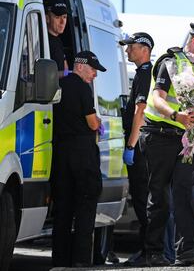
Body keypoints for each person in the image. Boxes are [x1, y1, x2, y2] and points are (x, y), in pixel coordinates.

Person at [140, 23, 194, 266]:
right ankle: (154, 251)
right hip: (161, 134)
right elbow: (158, 98)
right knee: (160, 196)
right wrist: (175, 116)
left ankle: (186, 249)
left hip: (187, 139)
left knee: (184, 191)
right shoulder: (171, 62)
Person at [50, 51, 106, 267]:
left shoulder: (60, 84)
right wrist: (98, 121)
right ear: (80, 66)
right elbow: (92, 123)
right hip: (82, 153)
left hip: (61, 151)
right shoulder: (82, 88)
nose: (94, 75)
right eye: (93, 70)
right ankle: (81, 262)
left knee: (63, 208)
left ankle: (59, 260)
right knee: (85, 206)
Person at [118, 32, 154, 266]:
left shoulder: (144, 73)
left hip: (140, 146)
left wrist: (130, 145)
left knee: (142, 200)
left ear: (144, 49)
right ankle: (150, 249)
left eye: (131, 46)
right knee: (144, 199)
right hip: (143, 145)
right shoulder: (146, 72)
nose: (127, 50)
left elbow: (139, 113)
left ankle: (149, 251)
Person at [45, 0, 69, 77]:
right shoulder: (42, 40)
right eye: (57, 17)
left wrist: (66, 73)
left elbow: (65, 69)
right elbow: (45, 75)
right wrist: (68, 74)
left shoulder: (58, 41)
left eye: (64, 17)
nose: (62, 22)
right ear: (47, 18)